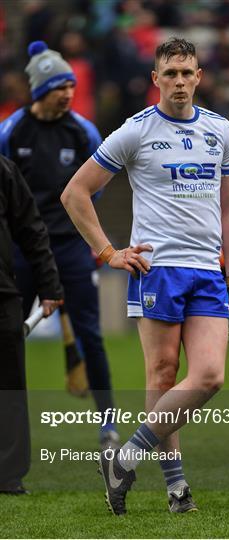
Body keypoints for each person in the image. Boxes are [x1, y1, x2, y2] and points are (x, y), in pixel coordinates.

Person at [61, 37, 229, 514]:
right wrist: (108, 252)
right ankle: (176, 487)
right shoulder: (136, 131)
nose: (181, 82)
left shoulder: (221, 131)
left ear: (199, 76)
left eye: (188, 73)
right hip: (156, 269)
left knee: (208, 376)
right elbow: (75, 193)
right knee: (163, 375)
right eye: (171, 74)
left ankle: (124, 458)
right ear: (156, 79)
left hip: (208, 271)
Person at [0, 41, 118, 450]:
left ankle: (108, 425)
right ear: (39, 91)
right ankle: (10, 431)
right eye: (58, 87)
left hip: (70, 248)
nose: (68, 93)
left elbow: (94, 192)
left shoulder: (83, 131)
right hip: (22, 249)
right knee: (8, 337)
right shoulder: (12, 132)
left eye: (70, 85)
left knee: (91, 334)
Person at [0, 155, 62, 494]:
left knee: (8, 386)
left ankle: (8, 473)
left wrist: (49, 285)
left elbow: (31, 229)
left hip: (3, 295)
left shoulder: (4, 170)